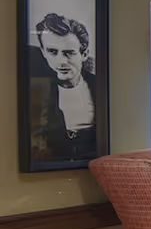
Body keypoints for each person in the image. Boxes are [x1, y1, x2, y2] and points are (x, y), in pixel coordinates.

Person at [28, 13, 98, 163]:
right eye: (52, 52)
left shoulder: (98, 86)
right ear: (43, 52)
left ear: (84, 54)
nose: (61, 62)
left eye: (69, 53)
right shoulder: (38, 89)